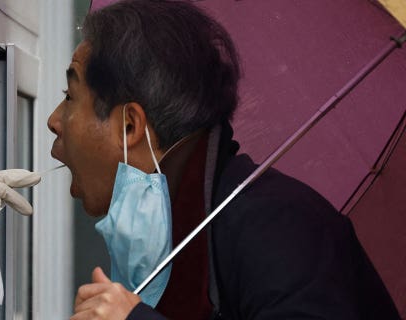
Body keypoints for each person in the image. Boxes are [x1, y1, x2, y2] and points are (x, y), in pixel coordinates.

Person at [41, 0, 400, 319]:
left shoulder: (280, 227)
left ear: (130, 125)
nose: (54, 120)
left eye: (69, 96)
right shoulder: (175, 238)